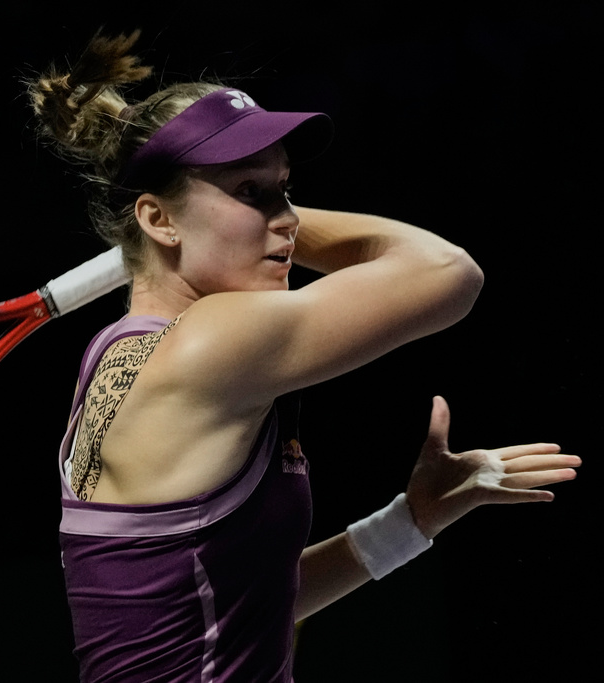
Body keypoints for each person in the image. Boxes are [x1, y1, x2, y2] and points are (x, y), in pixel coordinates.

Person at [28, 31, 581, 682]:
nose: (289, 218)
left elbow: (240, 607)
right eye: (250, 191)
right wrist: (256, 214)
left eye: (287, 188)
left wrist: (408, 522)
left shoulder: (114, 353)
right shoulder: (212, 342)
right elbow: (447, 272)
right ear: (158, 220)